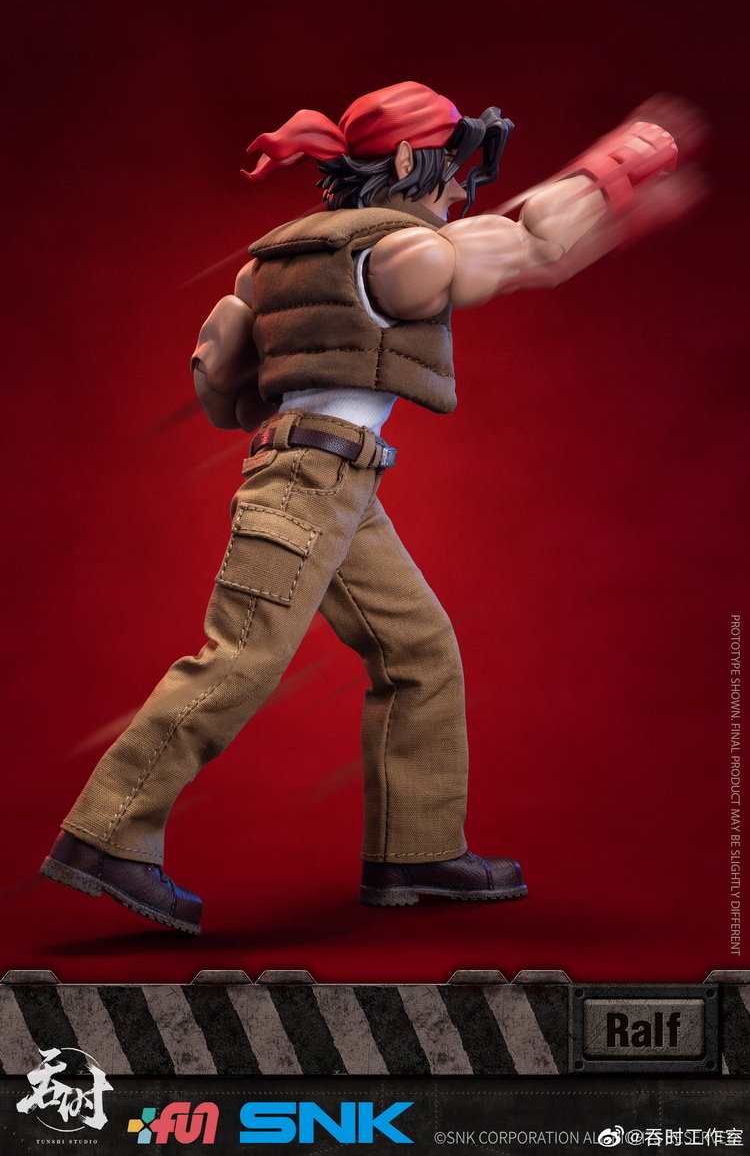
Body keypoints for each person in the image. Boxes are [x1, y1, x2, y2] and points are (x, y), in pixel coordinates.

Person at [41, 82, 695, 934]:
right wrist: (610, 171)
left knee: (420, 650)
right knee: (239, 658)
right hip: (312, 481)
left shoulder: (268, 265)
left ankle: (415, 850)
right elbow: (537, 246)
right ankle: (107, 834)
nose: (459, 186)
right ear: (408, 160)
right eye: (453, 165)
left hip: (335, 480)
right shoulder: (402, 255)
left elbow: (222, 390)